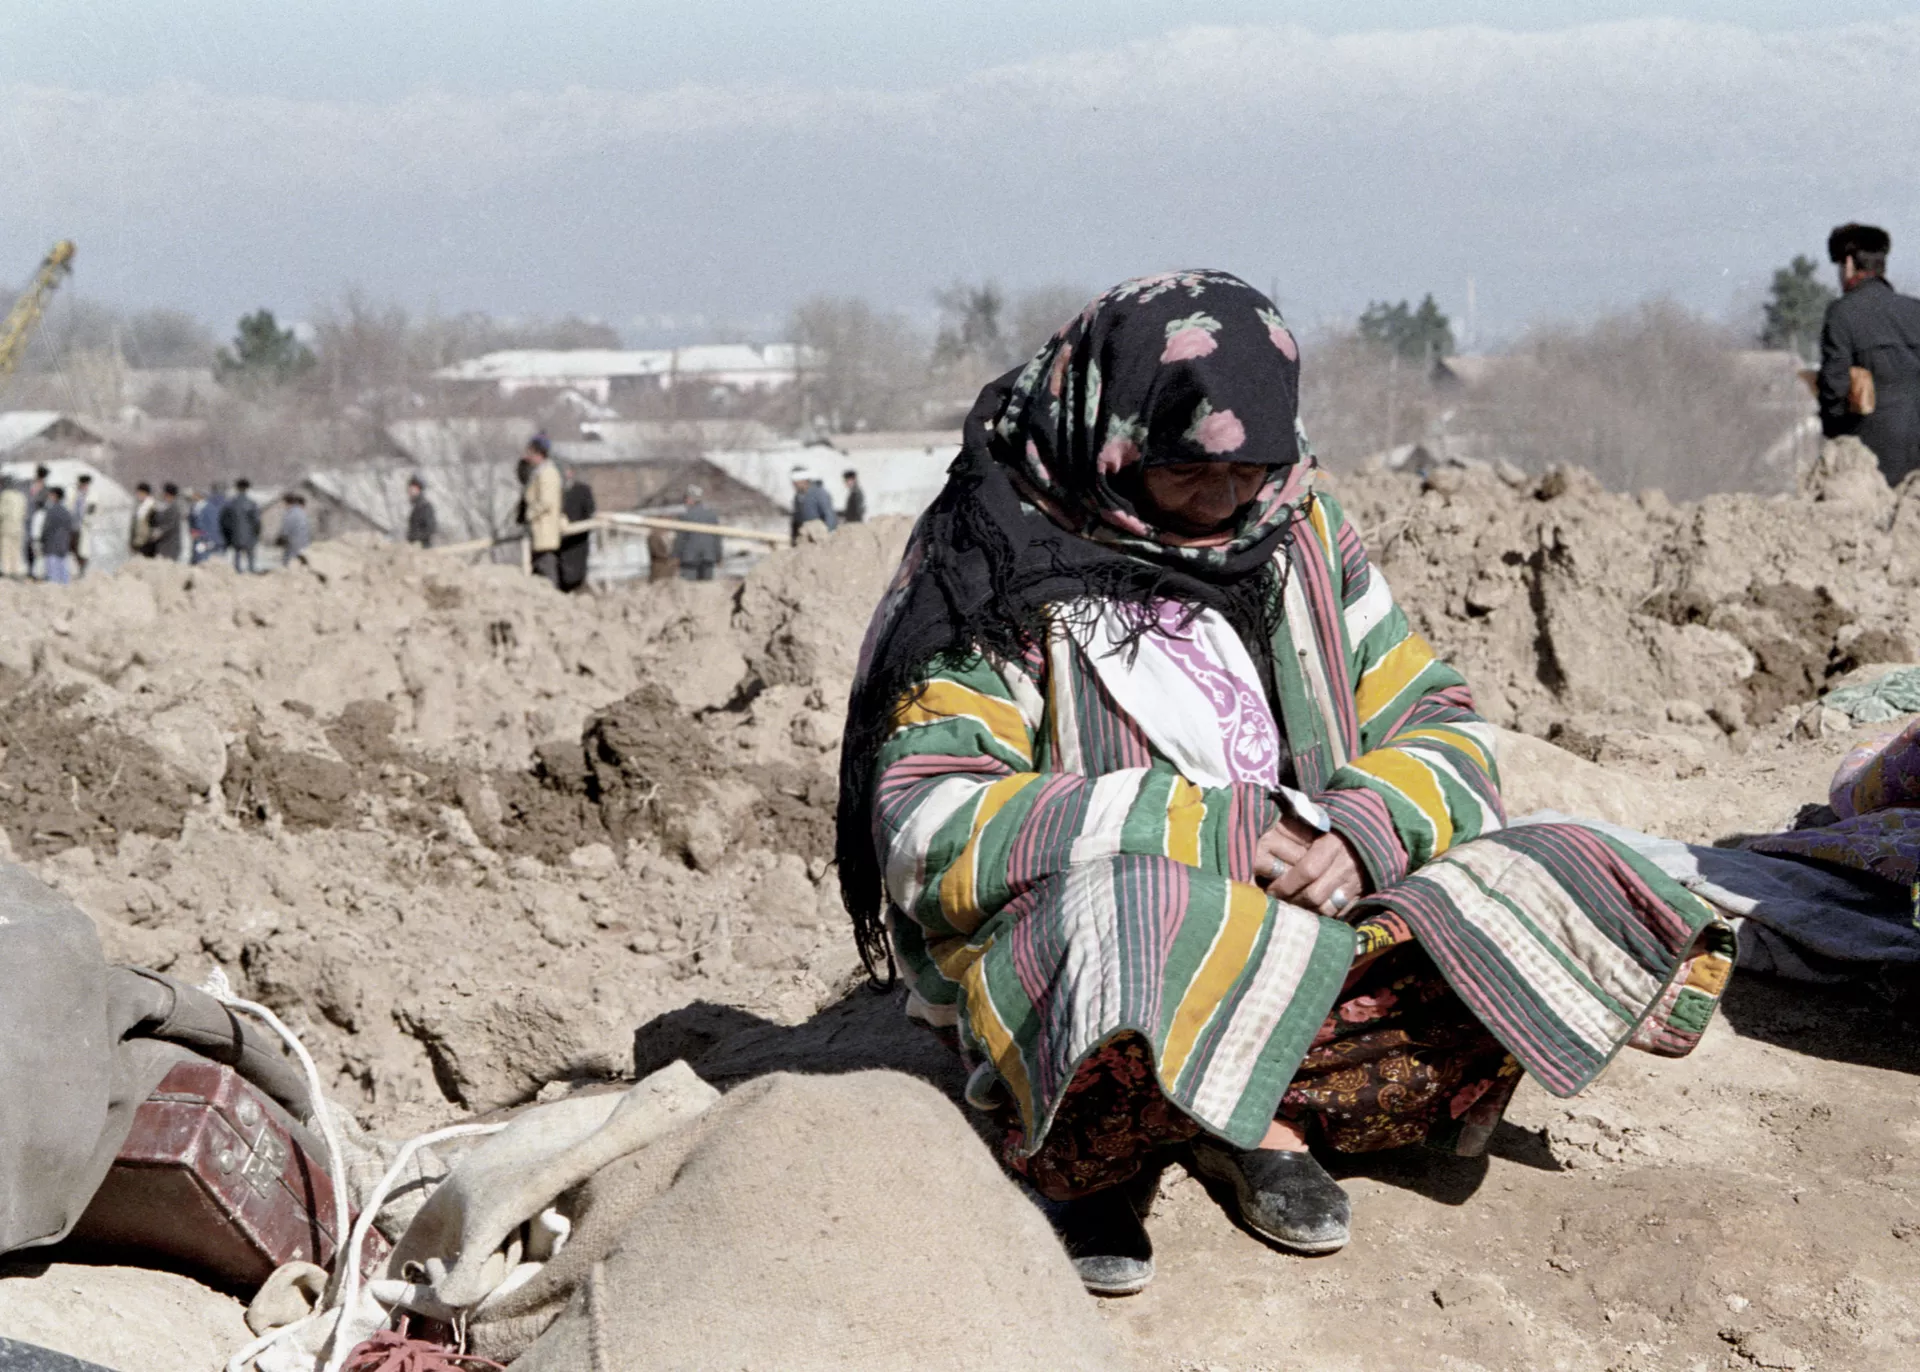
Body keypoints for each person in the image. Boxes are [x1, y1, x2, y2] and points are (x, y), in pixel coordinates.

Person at [837, 270, 1734, 1295]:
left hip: (1301, 921)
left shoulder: (1296, 528)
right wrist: (1213, 830)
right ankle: (1099, 1150)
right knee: (1144, 917)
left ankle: (1266, 1102)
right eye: (1187, 474)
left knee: (1561, 870)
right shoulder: (996, 560)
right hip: (1103, 935)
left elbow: (1437, 723)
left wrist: (1356, 832)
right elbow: (929, 819)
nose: (1224, 502)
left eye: (1249, 470)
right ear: (1113, 439)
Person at [1819, 222, 1920, 487]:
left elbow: (1834, 388)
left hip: (1871, 456)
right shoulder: (1915, 310)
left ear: (1849, 263)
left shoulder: (1841, 314)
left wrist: (1834, 433)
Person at [522, 435, 564, 586]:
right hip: (539, 530)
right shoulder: (540, 472)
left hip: (545, 529)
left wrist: (530, 513)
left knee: (546, 569)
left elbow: (546, 501)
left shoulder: (548, 473)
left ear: (538, 453)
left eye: (530, 453)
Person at [558, 466, 597, 593]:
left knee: (577, 573)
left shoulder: (583, 490)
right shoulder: (557, 493)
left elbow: (590, 513)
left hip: (578, 540)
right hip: (560, 542)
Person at [673, 484, 722, 581]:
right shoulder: (712, 515)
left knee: (690, 590)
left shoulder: (685, 516)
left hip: (689, 559)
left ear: (691, 499)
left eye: (686, 498)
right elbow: (717, 538)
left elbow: (681, 539)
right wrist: (719, 556)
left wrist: (676, 556)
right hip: (708, 558)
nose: (685, 501)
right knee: (706, 589)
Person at [221, 478, 262, 573]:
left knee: (237, 556)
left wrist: (228, 535)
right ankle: (251, 573)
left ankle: (237, 573)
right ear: (247, 488)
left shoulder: (231, 503)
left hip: (235, 535)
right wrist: (257, 533)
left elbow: (225, 521)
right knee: (250, 557)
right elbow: (257, 521)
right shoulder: (252, 503)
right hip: (250, 536)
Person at [789, 465, 837, 544]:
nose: (794, 485)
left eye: (796, 482)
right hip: (804, 538)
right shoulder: (797, 497)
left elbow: (829, 515)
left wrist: (829, 534)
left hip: (819, 537)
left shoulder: (819, 493)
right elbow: (796, 520)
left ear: (804, 480)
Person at [38, 486, 74, 585]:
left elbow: (46, 528)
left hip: (51, 546)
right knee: (64, 576)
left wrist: (41, 540)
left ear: (54, 496)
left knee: (52, 578)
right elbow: (70, 529)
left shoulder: (51, 511)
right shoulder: (67, 512)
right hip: (63, 546)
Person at [149, 483, 186, 562]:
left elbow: (170, 524)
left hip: (170, 545)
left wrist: (159, 531)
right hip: (164, 544)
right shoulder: (166, 505)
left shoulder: (174, 507)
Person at [276, 492, 312, 566]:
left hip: (292, 543)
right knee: (301, 563)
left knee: (289, 563)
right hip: (304, 542)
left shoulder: (290, 513)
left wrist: (280, 538)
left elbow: (286, 529)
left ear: (286, 502)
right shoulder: (302, 513)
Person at [24, 466, 47, 578]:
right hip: (28, 519)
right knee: (28, 545)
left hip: (38, 520)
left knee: (37, 545)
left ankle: (38, 571)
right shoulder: (30, 486)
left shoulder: (45, 490)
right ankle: (30, 569)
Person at [0, 477, 25, 579]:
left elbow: (2, 512)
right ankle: (16, 570)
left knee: (6, 549)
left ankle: (7, 571)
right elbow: (24, 512)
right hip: (19, 528)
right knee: (16, 550)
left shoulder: (5, 495)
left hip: (7, 527)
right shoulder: (21, 496)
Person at [71, 473, 94, 577]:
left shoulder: (91, 496)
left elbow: (92, 512)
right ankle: (77, 569)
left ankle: (82, 570)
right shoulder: (75, 494)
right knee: (75, 549)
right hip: (74, 527)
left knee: (83, 551)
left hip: (84, 527)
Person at [406, 476, 437, 548]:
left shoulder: (425, 507)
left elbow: (431, 529)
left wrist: (416, 537)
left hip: (424, 548)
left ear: (418, 489)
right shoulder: (415, 507)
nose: (410, 491)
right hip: (414, 548)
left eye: (413, 488)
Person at [129, 482, 156, 558]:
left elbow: (153, 527)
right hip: (138, 542)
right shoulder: (139, 507)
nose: (138, 495)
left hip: (146, 544)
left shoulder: (151, 507)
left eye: (139, 493)